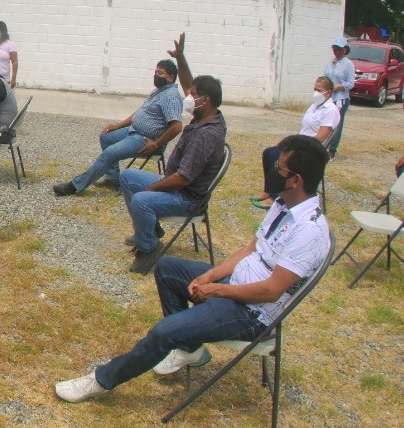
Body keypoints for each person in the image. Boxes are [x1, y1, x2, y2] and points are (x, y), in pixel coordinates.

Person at [55, 134, 331, 403]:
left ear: (296, 179)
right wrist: (212, 274)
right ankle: (189, 349)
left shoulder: (308, 230)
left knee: (164, 332)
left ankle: (101, 381)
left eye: (278, 168)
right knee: (166, 267)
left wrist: (218, 291)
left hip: (251, 313)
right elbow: (251, 249)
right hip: (235, 285)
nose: (271, 172)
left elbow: (271, 291)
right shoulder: (284, 203)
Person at [119, 33, 227, 274]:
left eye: (193, 96)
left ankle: (149, 249)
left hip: (187, 198)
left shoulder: (205, 135)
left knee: (141, 199)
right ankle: (148, 230)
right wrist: (180, 58)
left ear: (205, 100)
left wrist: (153, 189)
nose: (188, 98)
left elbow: (183, 178)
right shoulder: (210, 115)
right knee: (127, 178)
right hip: (178, 186)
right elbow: (190, 84)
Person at [52, 59, 184, 196]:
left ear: (171, 77)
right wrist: (117, 126)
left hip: (146, 140)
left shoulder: (171, 96)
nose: (156, 75)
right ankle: (112, 180)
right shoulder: (159, 91)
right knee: (106, 137)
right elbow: (139, 113)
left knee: (109, 154)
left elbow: (177, 127)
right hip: (133, 131)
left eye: (160, 73)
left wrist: (156, 144)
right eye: (155, 72)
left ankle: (75, 185)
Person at [250, 76, 340, 209]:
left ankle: (275, 197)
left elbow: (320, 137)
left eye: (319, 90)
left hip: (311, 149)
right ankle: (268, 190)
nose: (316, 93)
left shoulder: (331, 110)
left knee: (277, 157)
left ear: (329, 92)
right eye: (314, 89)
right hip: (301, 143)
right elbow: (305, 128)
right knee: (269, 152)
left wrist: (297, 145)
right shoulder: (314, 106)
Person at [324, 36, 355, 159]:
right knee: (325, 121)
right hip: (328, 96)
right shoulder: (331, 62)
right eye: (334, 49)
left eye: (338, 49)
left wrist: (338, 87)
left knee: (336, 124)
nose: (336, 51)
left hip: (340, 98)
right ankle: (323, 145)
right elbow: (325, 75)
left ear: (344, 50)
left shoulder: (348, 64)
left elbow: (350, 83)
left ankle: (332, 149)